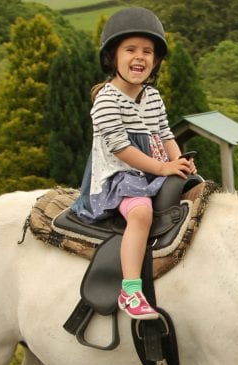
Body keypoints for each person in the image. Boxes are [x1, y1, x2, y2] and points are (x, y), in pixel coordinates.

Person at [72, 7, 196, 320]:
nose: (139, 57)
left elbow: (165, 135)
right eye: (130, 50)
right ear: (112, 57)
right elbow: (121, 148)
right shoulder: (107, 99)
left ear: (155, 60)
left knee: (199, 195)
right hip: (120, 176)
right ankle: (130, 289)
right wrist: (164, 169)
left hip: (153, 170)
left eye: (147, 51)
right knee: (140, 213)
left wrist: (178, 161)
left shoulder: (152, 97)